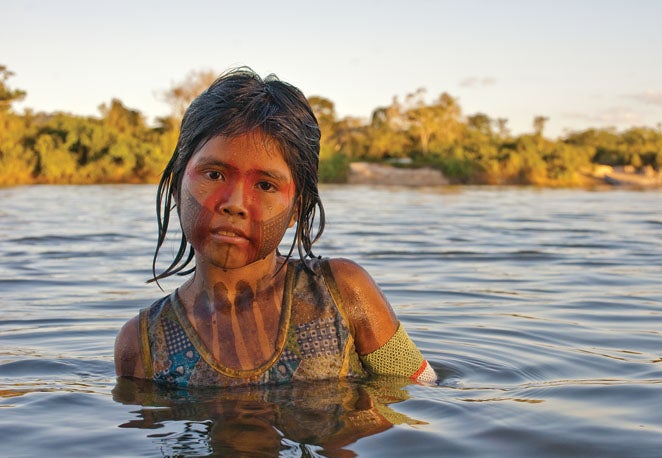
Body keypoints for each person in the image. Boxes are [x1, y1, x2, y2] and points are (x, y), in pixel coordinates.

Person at [114, 67, 436, 387]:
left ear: (296, 208)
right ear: (176, 186)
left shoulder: (342, 294)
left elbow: (423, 396)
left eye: (266, 185)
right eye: (214, 175)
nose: (235, 203)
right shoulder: (143, 344)